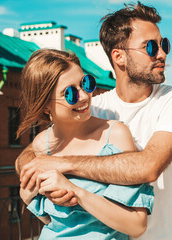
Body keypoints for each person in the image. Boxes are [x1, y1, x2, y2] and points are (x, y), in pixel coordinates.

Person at [17, 1, 172, 239]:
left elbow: (147, 167)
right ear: (119, 56)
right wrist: (39, 178)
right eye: (150, 47)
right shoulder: (92, 108)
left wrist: (63, 165)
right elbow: (30, 155)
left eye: (163, 44)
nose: (162, 53)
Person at [17, 48, 154, 239]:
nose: (84, 96)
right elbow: (53, 221)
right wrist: (27, 195)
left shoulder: (114, 134)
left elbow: (136, 225)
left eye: (85, 83)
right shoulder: (42, 144)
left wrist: (77, 193)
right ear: (46, 104)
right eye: (70, 93)